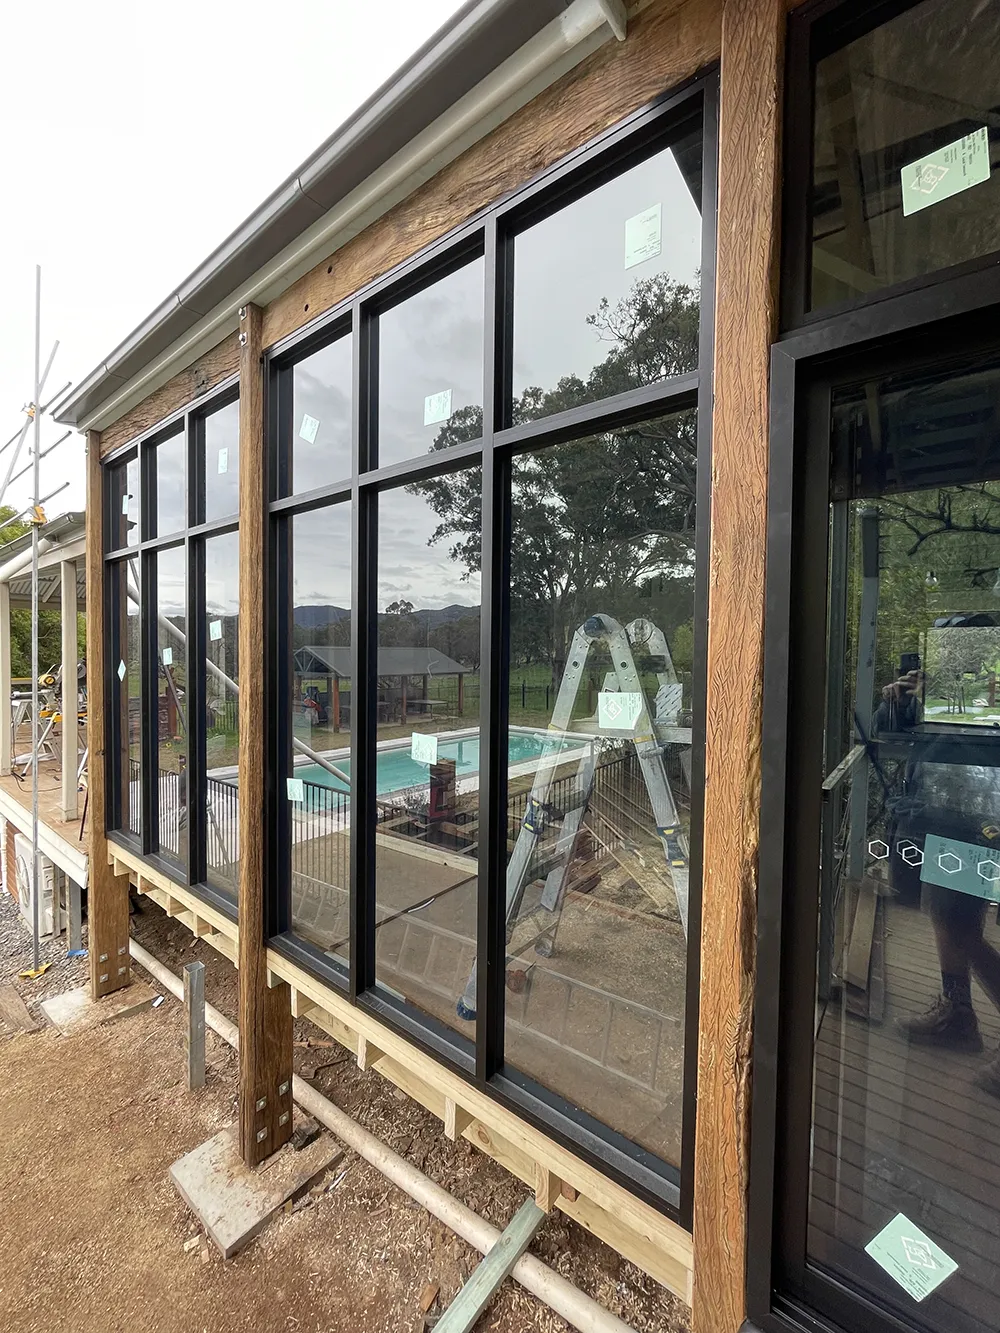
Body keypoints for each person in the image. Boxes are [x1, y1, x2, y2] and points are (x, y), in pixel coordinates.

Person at [877, 667, 1000, 1095]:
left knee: (959, 923)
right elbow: (887, 735)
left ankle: (959, 1013)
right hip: (945, 816)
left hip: (978, 819)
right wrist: (899, 702)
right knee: (945, 913)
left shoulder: (983, 699)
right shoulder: (939, 700)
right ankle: (957, 1012)